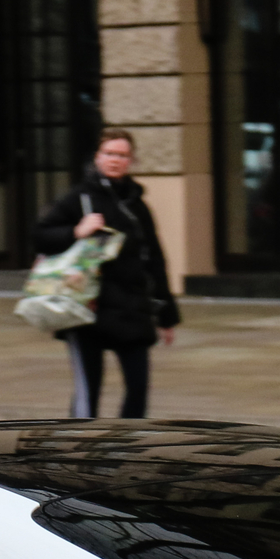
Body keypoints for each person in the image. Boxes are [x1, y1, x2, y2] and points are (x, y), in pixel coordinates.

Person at [33, 129, 179, 418]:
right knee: (88, 395)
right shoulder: (79, 199)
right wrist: (76, 230)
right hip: (87, 311)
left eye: (122, 155)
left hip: (132, 311)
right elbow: (40, 236)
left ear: (132, 161)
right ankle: (77, 452)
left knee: (138, 390)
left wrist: (166, 315)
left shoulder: (138, 207)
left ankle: (126, 449)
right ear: (98, 158)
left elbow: (155, 260)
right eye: (109, 153)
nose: (115, 160)